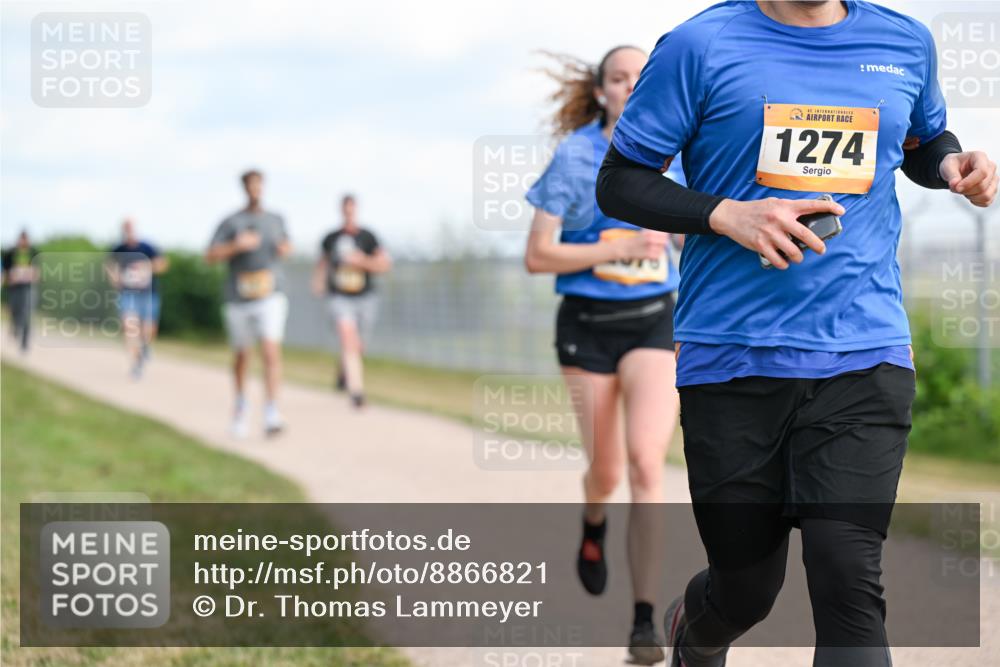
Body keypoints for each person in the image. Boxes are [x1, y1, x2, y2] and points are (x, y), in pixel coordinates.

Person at [595, 2, 997, 666]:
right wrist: (726, 214)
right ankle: (694, 628)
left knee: (849, 580)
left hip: (863, 351)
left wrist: (954, 167)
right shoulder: (700, 44)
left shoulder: (903, 40)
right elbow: (620, 181)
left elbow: (923, 141)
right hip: (731, 356)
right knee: (747, 588)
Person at [524, 46, 686, 665]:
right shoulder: (575, 157)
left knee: (648, 465)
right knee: (608, 472)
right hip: (587, 327)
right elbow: (538, 256)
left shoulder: (676, 154)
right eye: (618, 79)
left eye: (640, 78)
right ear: (601, 92)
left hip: (653, 320)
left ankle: (644, 619)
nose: (630, 87)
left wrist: (675, 229)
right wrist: (611, 247)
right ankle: (594, 520)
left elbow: (689, 233)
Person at [206, 169, 292, 438]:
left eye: (259, 185)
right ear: (244, 188)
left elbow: (288, 246)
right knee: (243, 355)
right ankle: (241, 409)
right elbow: (210, 255)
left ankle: (271, 411)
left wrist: (283, 249)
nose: (255, 190)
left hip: (270, 293)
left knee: (270, 350)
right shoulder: (231, 222)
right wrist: (236, 246)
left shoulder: (276, 219)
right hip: (239, 296)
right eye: (251, 186)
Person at [312, 194, 391, 409]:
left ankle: (343, 373)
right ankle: (357, 392)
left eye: (351, 208)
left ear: (356, 210)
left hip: (365, 298)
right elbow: (322, 263)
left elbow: (384, 264)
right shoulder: (331, 238)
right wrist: (318, 283)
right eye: (345, 208)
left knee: (359, 345)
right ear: (341, 210)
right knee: (348, 340)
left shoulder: (368, 237)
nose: (348, 212)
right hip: (339, 297)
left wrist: (361, 261)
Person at [105, 218, 169, 379]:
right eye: (126, 229)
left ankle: (146, 346)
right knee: (130, 327)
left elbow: (163, 264)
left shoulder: (147, 247)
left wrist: (146, 267)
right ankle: (136, 364)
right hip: (128, 294)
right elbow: (109, 265)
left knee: (148, 330)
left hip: (149, 294)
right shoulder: (118, 249)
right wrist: (115, 278)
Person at [1, 230, 39, 353]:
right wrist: (11, 277)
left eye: (25, 239)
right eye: (22, 239)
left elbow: (38, 272)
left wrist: (32, 275)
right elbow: (5, 272)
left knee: (27, 313)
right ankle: (15, 327)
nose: (23, 241)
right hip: (14, 288)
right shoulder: (11, 253)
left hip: (28, 288)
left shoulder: (33, 252)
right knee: (15, 312)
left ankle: (24, 343)